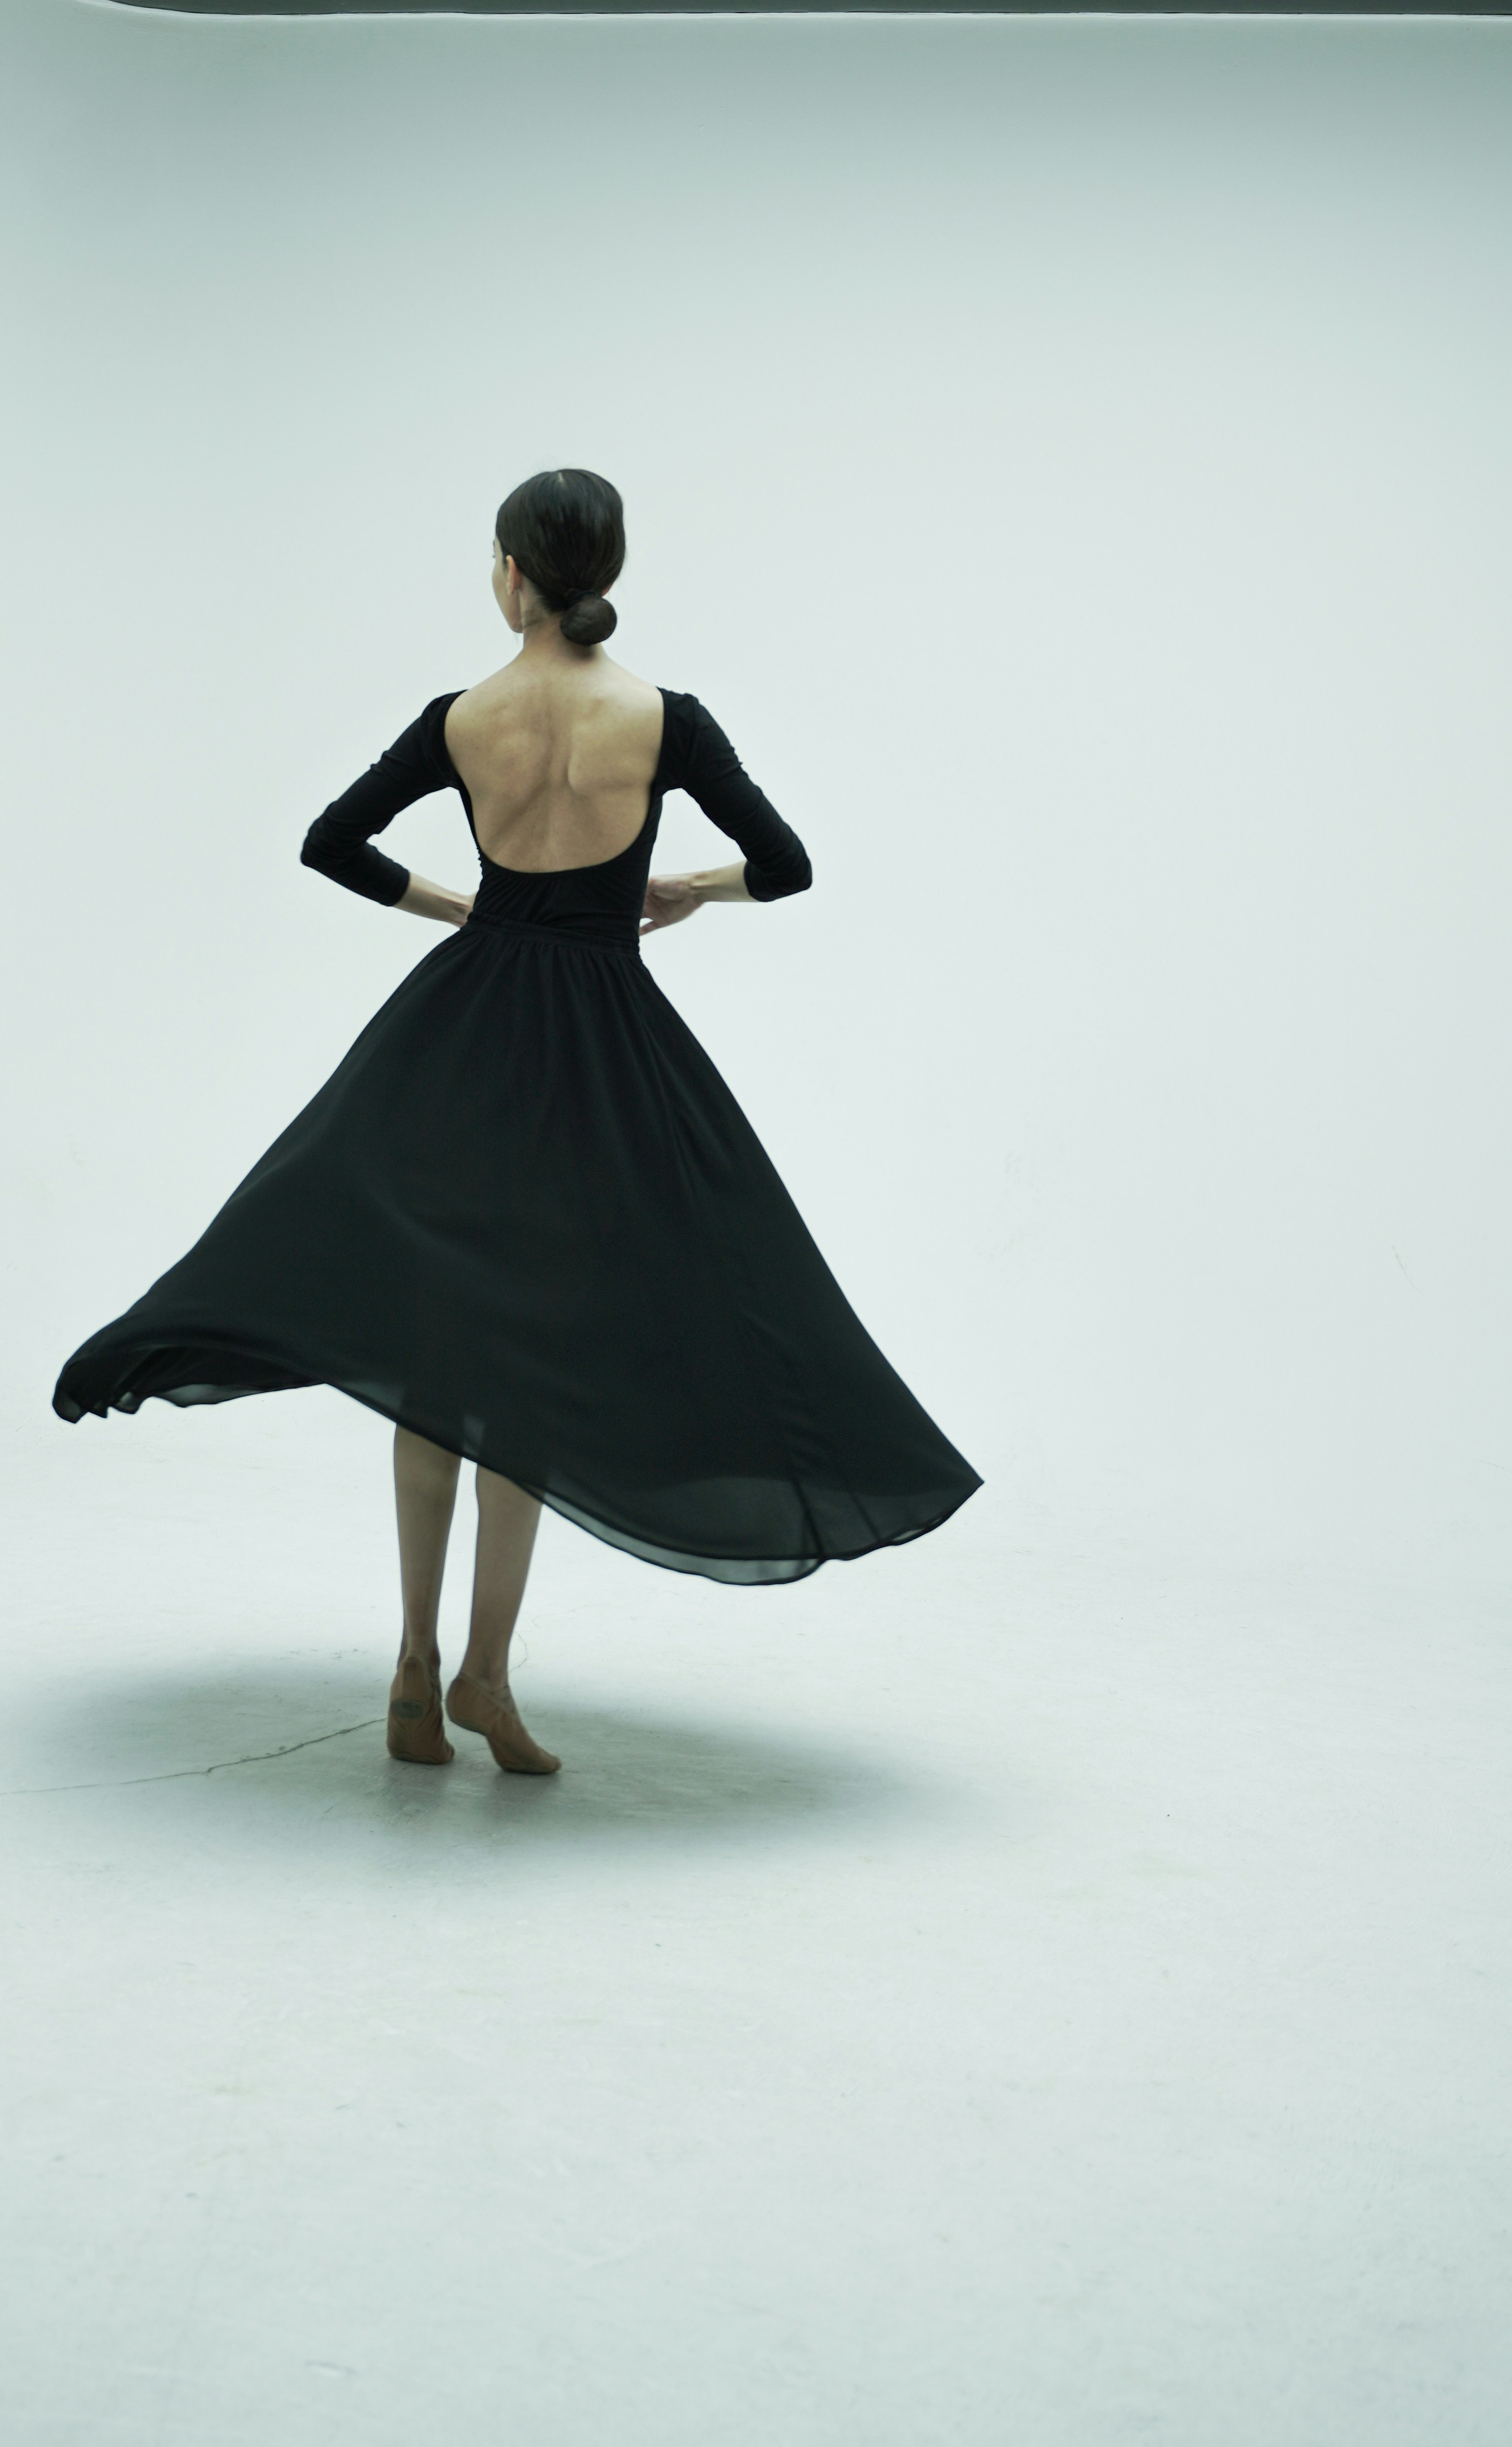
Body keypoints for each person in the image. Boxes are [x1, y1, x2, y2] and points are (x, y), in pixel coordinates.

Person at [53, 467, 978, 1776]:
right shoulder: (668, 721)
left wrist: (471, 916)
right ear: (605, 572)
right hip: (604, 1053)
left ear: (511, 575)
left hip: (465, 1039)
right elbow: (788, 865)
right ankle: (484, 1673)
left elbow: (331, 841)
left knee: (436, 1365)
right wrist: (686, 891)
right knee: (532, 1361)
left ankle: (420, 1669)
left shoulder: (464, 717)